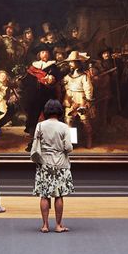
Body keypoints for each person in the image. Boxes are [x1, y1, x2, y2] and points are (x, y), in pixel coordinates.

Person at [31, 99, 74, 233]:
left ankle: (44, 225)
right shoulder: (64, 127)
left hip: (44, 163)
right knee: (58, 195)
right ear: (59, 111)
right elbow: (68, 147)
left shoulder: (40, 126)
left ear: (47, 111)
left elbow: (35, 143)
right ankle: (58, 225)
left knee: (44, 195)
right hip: (60, 164)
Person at [62, 51, 94, 149]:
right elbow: (64, 83)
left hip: (81, 98)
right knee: (69, 120)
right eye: (70, 62)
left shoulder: (84, 76)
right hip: (70, 98)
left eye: (72, 62)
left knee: (84, 120)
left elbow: (88, 89)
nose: (70, 64)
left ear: (78, 63)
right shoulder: (68, 75)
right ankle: (72, 142)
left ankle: (89, 139)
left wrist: (87, 100)